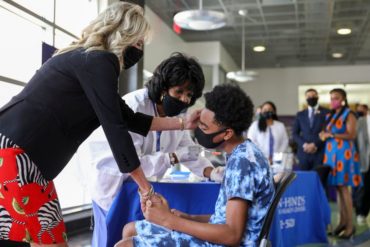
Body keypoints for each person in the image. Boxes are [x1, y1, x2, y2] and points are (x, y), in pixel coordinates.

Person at [0, 2, 199, 246]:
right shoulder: (100, 61)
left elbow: (131, 119)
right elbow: (116, 129)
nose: (138, 50)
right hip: (17, 154)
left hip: (22, 155)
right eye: (137, 42)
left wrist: (182, 123)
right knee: (45, 240)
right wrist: (146, 189)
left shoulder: (88, 62)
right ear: (123, 34)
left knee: (23, 239)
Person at [84, 52, 224, 246]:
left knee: (134, 235)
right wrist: (172, 157)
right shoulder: (135, 105)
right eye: (179, 91)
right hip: (114, 184)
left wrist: (212, 172)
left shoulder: (178, 118)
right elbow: (132, 161)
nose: (184, 99)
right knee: (109, 238)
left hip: (143, 189)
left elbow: (189, 152)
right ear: (163, 88)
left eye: (189, 95)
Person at [115, 83, 275, 247]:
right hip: (218, 238)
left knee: (124, 245)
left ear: (227, 133)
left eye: (204, 127)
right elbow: (225, 218)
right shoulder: (245, 153)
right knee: (130, 229)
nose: (198, 131)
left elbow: (231, 235)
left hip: (222, 244)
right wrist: (188, 218)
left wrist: (170, 220)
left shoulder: (242, 164)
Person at [319, 88, 362, 238]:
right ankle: (342, 222)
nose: (333, 101)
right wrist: (324, 134)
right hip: (332, 154)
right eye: (331, 98)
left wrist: (331, 134)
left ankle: (350, 226)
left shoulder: (349, 114)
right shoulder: (331, 115)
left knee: (344, 189)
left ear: (343, 99)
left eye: (336, 98)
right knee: (338, 189)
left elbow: (351, 134)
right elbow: (328, 132)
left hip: (344, 154)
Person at [292, 88, 329, 170]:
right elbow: (295, 133)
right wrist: (304, 145)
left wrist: (315, 144)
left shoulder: (326, 112)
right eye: (309, 96)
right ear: (306, 98)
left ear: (318, 97)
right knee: (304, 179)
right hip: (303, 153)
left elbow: (327, 131)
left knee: (319, 178)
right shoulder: (300, 114)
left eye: (313, 96)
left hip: (320, 152)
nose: (311, 97)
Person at [354, 104, 370, 225]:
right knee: (363, 187)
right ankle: (361, 213)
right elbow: (355, 141)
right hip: (364, 160)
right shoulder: (360, 121)